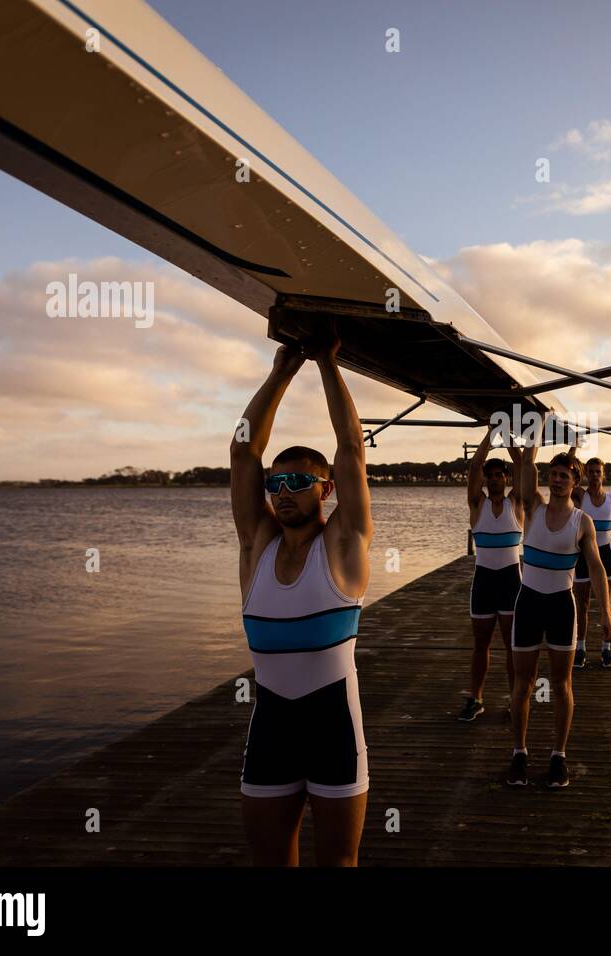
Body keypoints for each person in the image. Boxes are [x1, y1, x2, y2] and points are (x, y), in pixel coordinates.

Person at [229, 334, 373, 866]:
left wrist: (329, 363)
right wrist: (282, 370)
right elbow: (243, 450)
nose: (283, 491)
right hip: (270, 733)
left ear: (325, 490)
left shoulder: (343, 545)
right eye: (275, 483)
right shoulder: (256, 549)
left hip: (335, 733)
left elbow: (352, 450)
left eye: (297, 481)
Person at [507, 442, 611, 788]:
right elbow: (526, 472)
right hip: (527, 603)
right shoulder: (533, 507)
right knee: (522, 684)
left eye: (563, 476)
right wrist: (534, 433)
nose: (556, 480)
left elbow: (597, 569)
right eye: (552, 474)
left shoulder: (582, 522)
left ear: (575, 481)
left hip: (560, 607)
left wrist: (607, 616)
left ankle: (558, 756)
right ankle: (519, 754)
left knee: (561, 685)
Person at [459, 427, 524, 721]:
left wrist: (508, 435)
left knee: (513, 646)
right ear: (486, 479)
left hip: (511, 582)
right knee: (480, 646)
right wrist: (491, 432)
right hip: (483, 582)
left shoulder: (517, 503)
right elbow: (474, 465)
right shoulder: (477, 503)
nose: (495, 479)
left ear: (507, 479)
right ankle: (476, 699)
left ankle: (515, 700)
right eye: (491, 475)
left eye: (500, 475)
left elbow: (523, 465)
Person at [572, 458, 611, 669]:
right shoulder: (579, 495)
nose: (595, 475)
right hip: (583, 554)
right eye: (591, 472)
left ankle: (606, 650)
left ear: (603, 474)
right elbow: (568, 467)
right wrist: (574, 446)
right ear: (586, 474)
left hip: (605, 554)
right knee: (583, 604)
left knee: (607, 604)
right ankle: (580, 648)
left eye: (598, 472)